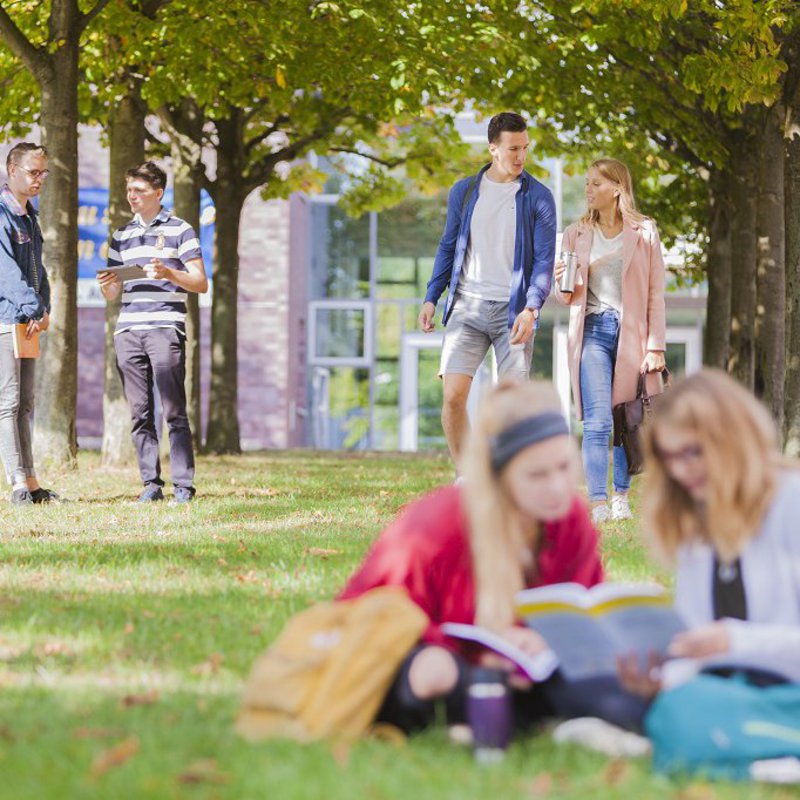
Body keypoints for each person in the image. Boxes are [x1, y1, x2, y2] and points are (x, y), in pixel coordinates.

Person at [340, 381, 645, 735]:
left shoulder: (570, 520)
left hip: (531, 671)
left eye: (564, 467)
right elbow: (368, 615)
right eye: (537, 475)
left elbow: (580, 608)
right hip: (439, 663)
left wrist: (550, 641)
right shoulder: (436, 526)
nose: (559, 487)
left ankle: (507, 717)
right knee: (433, 675)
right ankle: (494, 714)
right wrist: (462, 647)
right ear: (499, 476)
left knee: (626, 700)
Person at [619, 369, 800, 696]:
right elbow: (699, 643)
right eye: (669, 457)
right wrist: (661, 681)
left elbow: (727, 644)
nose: (680, 470)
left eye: (694, 452)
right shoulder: (694, 515)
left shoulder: (790, 500)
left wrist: (735, 642)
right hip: (726, 695)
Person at [418, 112, 557, 472]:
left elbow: (544, 260)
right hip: (467, 307)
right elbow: (448, 246)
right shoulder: (464, 192)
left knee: (512, 407)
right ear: (493, 148)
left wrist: (532, 308)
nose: (520, 157)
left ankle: (507, 478)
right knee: (452, 397)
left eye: (525, 148)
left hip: (513, 313)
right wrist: (432, 296)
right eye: (513, 149)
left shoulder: (538, 197)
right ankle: (467, 477)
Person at [553, 157, 666, 524]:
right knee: (598, 422)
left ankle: (621, 497)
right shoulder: (576, 233)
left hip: (632, 335)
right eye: (587, 183)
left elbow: (654, 294)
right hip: (593, 332)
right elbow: (567, 297)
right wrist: (561, 282)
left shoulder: (644, 231)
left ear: (617, 188)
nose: (588, 190)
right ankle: (598, 502)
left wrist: (655, 345)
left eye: (596, 184)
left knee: (625, 419)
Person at [97, 161, 208, 503]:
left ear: (158, 193)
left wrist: (169, 274)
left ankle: (184, 487)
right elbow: (115, 294)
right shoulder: (121, 235)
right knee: (139, 413)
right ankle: (151, 486)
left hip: (164, 328)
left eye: (139, 191)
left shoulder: (181, 230)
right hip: (129, 330)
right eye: (129, 189)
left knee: (173, 410)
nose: (132, 196)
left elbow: (201, 283)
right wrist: (108, 286)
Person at [0, 142, 58, 505]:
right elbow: (5, 271)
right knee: (6, 402)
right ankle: (16, 483)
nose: (40, 179)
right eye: (34, 172)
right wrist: (33, 307)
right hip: (6, 318)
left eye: (43, 173)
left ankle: (33, 483)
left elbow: (39, 270)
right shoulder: (2, 215)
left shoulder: (29, 216)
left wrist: (44, 307)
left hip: (28, 320)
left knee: (25, 403)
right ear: (12, 171)